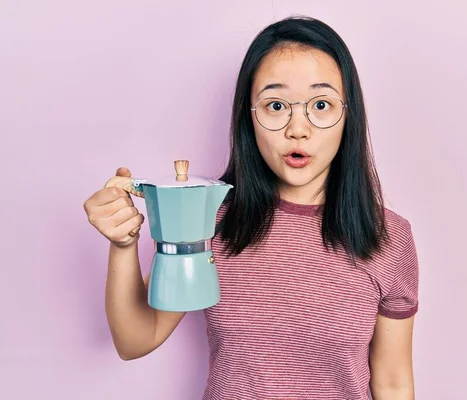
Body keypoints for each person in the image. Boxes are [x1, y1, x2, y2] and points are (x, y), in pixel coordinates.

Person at [83, 15, 420, 400]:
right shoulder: (207, 217)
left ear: (348, 115)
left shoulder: (390, 238)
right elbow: (135, 339)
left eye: (321, 104)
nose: (298, 128)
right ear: (250, 116)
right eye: (276, 105)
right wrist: (124, 244)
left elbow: (393, 381)